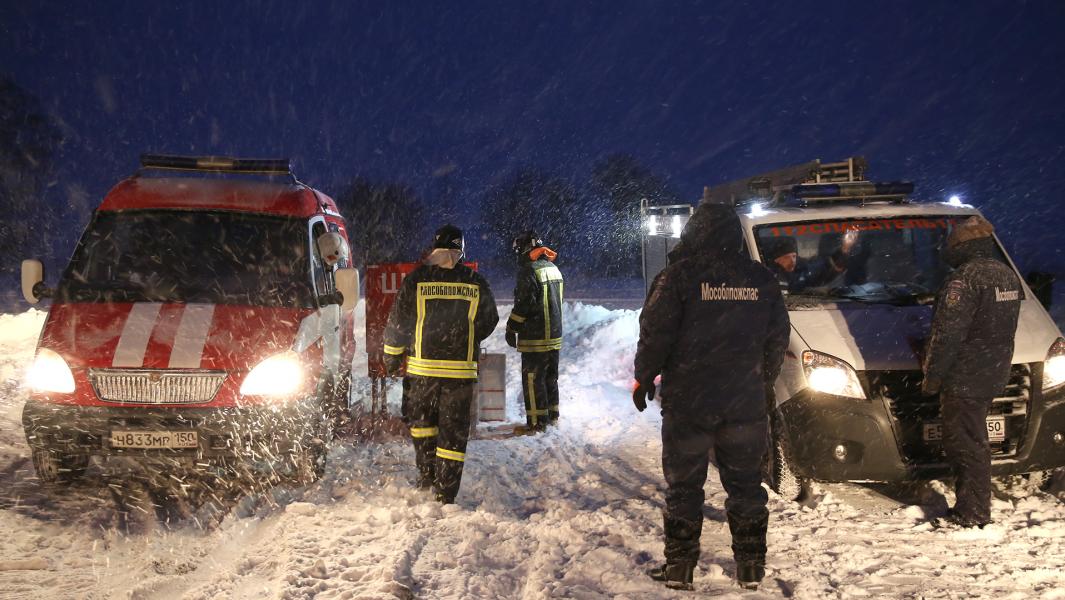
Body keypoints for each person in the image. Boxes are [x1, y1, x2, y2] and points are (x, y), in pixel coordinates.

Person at [634, 203, 790, 591]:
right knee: (746, 486)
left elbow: (655, 335)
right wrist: (758, 381)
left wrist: (644, 377)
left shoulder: (679, 277)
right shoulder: (762, 279)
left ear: (695, 232)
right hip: (743, 403)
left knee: (685, 486)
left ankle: (679, 568)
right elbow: (777, 339)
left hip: (690, 402)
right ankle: (751, 567)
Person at [383, 224, 499, 504]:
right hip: (460, 374)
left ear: (433, 248)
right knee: (453, 433)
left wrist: (392, 356)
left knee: (423, 425)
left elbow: (399, 322)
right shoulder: (476, 282)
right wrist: (465, 338)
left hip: (423, 372)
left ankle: (426, 476)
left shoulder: (417, 279)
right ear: (461, 250)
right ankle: (445, 492)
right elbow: (489, 320)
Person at [922, 215, 1020, 528]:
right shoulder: (1006, 275)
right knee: (975, 440)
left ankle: (972, 512)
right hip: (992, 371)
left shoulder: (965, 279)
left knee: (966, 444)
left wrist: (933, 375)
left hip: (964, 376)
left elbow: (946, 335)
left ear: (963, 247)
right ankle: (974, 506)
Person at [505, 231, 564, 432]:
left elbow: (524, 305)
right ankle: (552, 416)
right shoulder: (553, 268)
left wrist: (512, 327)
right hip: (554, 336)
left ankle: (537, 422)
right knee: (550, 377)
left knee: (533, 379)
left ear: (524, 249)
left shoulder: (528, 271)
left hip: (535, 337)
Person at [764, 230, 856, 293]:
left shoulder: (801, 271)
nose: (792, 260)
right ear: (777, 260)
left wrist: (844, 250)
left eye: (794, 256)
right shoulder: (766, 275)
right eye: (787, 257)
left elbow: (823, 268)